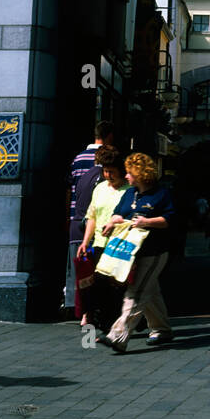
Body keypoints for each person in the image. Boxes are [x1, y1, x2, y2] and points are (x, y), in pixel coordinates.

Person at [100, 152, 176, 353]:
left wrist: (147, 222)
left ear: (140, 174)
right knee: (149, 290)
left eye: (129, 173)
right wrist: (112, 221)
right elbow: (119, 213)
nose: (126, 176)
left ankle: (118, 335)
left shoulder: (162, 194)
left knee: (137, 292)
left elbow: (169, 220)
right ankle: (162, 329)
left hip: (154, 251)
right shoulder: (129, 194)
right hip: (132, 252)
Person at [75, 146, 129, 336]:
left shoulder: (129, 191)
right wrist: (85, 241)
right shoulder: (99, 188)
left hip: (120, 245)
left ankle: (116, 324)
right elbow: (92, 216)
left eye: (112, 172)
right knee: (100, 286)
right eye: (105, 171)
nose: (108, 175)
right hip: (99, 244)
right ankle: (105, 324)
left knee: (117, 286)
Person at [67, 120, 113, 325]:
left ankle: (76, 308)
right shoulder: (108, 161)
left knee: (79, 268)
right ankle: (93, 311)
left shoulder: (77, 159)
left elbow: (69, 190)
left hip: (76, 220)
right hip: (98, 222)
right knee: (97, 269)